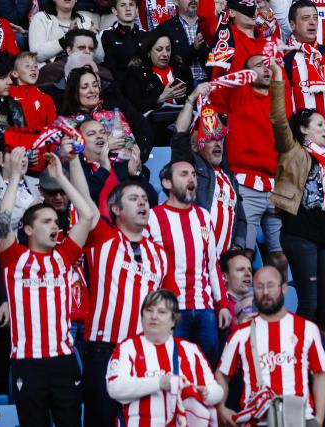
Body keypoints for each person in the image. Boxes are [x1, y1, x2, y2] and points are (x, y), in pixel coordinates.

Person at [0, 149, 97, 427]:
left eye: (55, 222)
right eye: (46, 222)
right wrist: (16, 177)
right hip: (27, 364)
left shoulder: (64, 255)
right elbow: (3, 220)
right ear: (28, 230)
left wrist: (60, 178)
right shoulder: (13, 258)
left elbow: (88, 216)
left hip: (63, 361)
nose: (54, 226)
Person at [82, 179, 180, 427]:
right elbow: (85, 203)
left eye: (145, 199)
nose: (143, 203)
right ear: (115, 209)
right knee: (101, 421)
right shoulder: (102, 238)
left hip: (143, 353)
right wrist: (70, 166)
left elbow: (170, 303)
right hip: (103, 349)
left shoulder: (160, 254)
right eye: (134, 199)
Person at [269, 66, 325, 336]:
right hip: (299, 230)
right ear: (303, 129)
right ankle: (299, 350)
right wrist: (278, 76)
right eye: (320, 124)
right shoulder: (292, 150)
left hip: (323, 231)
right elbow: (277, 117)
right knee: (309, 302)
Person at [219, 265, 325, 427]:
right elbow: (222, 374)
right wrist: (221, 408)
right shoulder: (241, 334)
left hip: (300, 419)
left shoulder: (307, 329)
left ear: (284, 288)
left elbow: (320, 375)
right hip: (257, 421)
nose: (265, 292)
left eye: (270, 285)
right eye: (259, 287)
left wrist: (318, 419)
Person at [148, 160, 232, 361]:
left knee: (206, 369)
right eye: (184, 174)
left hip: (205, 308)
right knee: (174, 367)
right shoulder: (153, 217)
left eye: (193, 174)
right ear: (167, 183)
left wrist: (222, 305)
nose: (192, 178)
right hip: (171, 310)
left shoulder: (203, 216)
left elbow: (212, 266)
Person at [209, 54, 285, 269]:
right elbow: (219, 80)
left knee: (281, 256)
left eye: (268, 65)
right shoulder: (237, 96)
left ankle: (276, 300)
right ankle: (242, 301)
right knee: (245, 253)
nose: (266, 69)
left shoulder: (280, 97)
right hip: (246, 183)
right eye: (258, 66)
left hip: (277, 185)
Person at [107, 289, 222, 427]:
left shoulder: (190, 350)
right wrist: (159, 382)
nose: (154, 316)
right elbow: (115, 388)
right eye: (149, 310)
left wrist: (205, 393)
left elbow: (217, 391)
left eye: (162, 312)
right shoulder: (127, 347)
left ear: (174, 320)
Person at [171, 84, 240, 258]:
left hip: (223, 263)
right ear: (194, 145)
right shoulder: (191, 167)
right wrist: (191, 99)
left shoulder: (230, 177)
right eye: (209, 139)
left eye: (219, 139)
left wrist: (238, 247)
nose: (217, 144)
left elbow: (242, 218)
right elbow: (179, 133)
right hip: (196, 256)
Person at [125, 30, 189, 142]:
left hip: (182, 126)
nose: (165, 54)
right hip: (152, 130)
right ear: (149, 52)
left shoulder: (181, 69)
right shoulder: (137, 72)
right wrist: (160, 98)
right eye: (159, 49)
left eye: (168, 49)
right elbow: (134, 106)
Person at [28, 0, 96, 64]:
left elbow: (99, 58)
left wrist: (94, 38)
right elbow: (36, 54)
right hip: (51, 73)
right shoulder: (41, 18)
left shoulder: (86, 21)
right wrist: (66, 39)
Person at [158, 0, 208, 86]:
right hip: (183, 86)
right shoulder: (166, 29)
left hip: (210, 83)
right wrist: (193, 48)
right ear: (176, 1)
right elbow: (170, 60)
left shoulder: (208, 23)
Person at [98, 0, 146, 81]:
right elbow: (107, 67)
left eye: (131, 5)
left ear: (136, 10)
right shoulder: (106, 35)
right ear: (114, 11)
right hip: (117, 86)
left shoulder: (145, 35)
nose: (128, 9)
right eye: (123, 5)